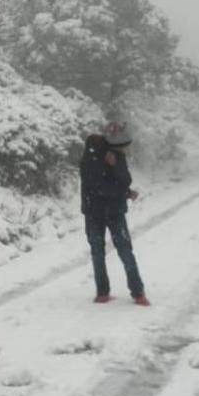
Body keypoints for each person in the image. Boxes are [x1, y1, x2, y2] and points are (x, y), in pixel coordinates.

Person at [79, 122, 149, 306]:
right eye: (123, 146)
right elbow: (97, 187)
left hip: (105, 209)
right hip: (101, 211)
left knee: (109, 251)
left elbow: (124, 180)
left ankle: (134, 292)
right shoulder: (91, 157)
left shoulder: (115, 155)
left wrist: (124, 188)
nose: (126, 149)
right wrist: (122, 190)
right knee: (114, 251)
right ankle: (131, 293)